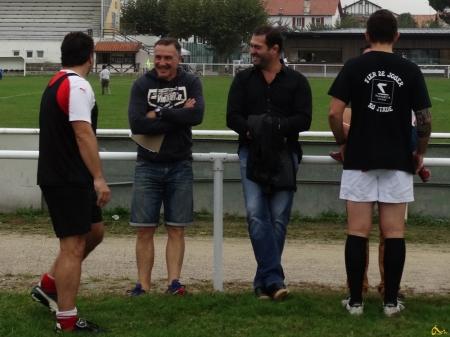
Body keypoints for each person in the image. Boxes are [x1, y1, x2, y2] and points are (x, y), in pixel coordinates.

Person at [328, 10, 432, 317]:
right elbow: (425, 119)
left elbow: (334, 113)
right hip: (398, 161)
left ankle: (356, 302)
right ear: (397, 36)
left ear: (366, 36)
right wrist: (420, 153)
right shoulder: (410, 70)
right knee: (394, 232)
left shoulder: (354, 66)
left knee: (357, 232)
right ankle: (390, 302)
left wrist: (342, 143)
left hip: (359, 158)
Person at [31, 31, 111, 333]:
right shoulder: (77, 86)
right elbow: (82, 133)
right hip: (68, 177)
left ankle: (48, 285)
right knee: (73, 247)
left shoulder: (57, 81)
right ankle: (66, 320)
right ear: (91, 57)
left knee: (94, 232)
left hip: (63, 175)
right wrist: (99, 178)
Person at [226, 26, 312, 301]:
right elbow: (232, 117)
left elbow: (304, 119)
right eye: (251, 46)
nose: (251, 51)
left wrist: (273, 127)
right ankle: (274, 279)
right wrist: (254, 130)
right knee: (255, 213)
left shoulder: (298, 81)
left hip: (286, 154)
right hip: (250, 153)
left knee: (278, 218)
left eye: (256, 47)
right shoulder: (242, 80)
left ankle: (263, 282)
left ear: (274, 49)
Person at [126, 37, 205, 296]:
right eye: (158, 57)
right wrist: (178, 114)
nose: (161, 62)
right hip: (147, 163)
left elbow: (197, 115)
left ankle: (174, 283)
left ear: (179, 59)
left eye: (167, 58)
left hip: (180, 163)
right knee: (144, 230)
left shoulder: (191, 82)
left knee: (176, 227)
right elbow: (138, 124)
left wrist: (158, 113)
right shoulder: (142, 84)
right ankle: (143, 286)